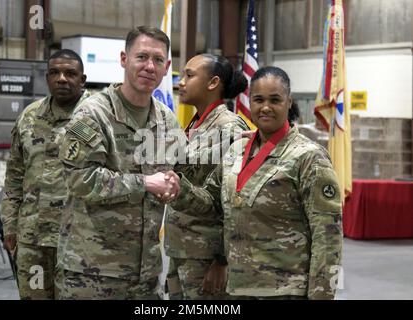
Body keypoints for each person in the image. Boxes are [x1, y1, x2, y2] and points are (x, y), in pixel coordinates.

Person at [166, 66, 343, 299]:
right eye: (258, 99)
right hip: (238, 289)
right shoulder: (236, 151)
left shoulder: (308, 157)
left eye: (275, 100)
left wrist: (321, 296)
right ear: (250, 103)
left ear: (289, 102)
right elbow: (210, 203)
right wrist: (179, 187)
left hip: (285, 290)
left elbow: (327, 237)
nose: (266, 107)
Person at [55, 26, 181, 300]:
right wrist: (145, 183)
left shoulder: (167, 120)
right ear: (124, 59)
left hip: (145, 275)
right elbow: (79, 179)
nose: (150, 66)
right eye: (142, 57)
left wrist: (173, 182)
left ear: (167, 66)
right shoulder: (93, 113)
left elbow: (173, 171)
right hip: (93, 271)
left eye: (158, 60)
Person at [1, 49, 89, 299]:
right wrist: (10, 225)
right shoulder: (29, 116)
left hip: (80, 240)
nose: (62, 78)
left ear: (82, 79)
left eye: (70, 73)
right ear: (47, 77)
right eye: (55, 73)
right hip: (32, 238)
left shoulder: (97, 116)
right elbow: (14, 175)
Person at [164, 54, 249, 299]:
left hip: (207, 254)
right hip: (181, 246)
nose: (181, 82)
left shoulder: (230, 128)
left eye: (189, 75)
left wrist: (222, 259)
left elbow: (235, 200)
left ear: (213, 83)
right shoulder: (196, 124)